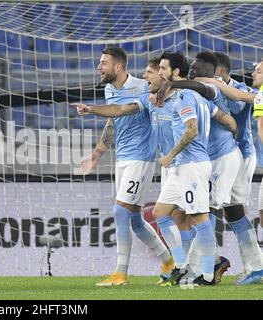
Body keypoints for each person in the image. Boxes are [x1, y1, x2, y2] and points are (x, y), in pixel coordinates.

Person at [74, 50, 174, 286]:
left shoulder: (143, 86)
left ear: (118, 67)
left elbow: (121, 110)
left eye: (103, 63)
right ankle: (168, 262)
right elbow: (113, 121)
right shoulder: (109, 89)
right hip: (123, 158)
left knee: (120, 212)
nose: (99, 67)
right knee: (135, 220)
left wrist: (91, 109)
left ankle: (120, 274)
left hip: (142, 158)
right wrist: (98, 152)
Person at [195, 58, 263, 284]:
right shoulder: (208, 89)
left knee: (212, 207)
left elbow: (238, 105)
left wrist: (214, 84)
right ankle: (255, 266)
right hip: (227, 154)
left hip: (241, 155)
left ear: (220, 71)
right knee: (234, 212)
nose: (254, 73)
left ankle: (205, 267)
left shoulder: (240, 88)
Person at [152, 52, 217, 286]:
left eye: (162, 68)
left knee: (199, 217)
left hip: (192, 164)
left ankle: (207, 275)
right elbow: (220, 116)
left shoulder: (184, 97)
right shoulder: (198, 96)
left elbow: (191, 130)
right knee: (160, 213)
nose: (159, 72)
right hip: (183, 165)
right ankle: (180, 265)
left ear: (175, 72)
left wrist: (170, 154)